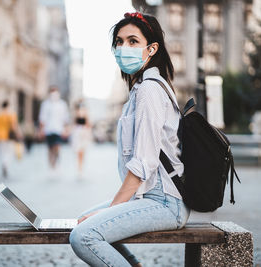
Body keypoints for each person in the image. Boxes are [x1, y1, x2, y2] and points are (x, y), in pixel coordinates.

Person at [69, 12, 190, 266]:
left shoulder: (149, 89)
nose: (124, 48)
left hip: (166, 202)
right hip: (151, 197)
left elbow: (143, 163)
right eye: (120, 42)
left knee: (84, 236)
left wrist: (111, 209)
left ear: (152, 48)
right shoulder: (143, 87)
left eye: (133, 41)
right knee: (84, 218)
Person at [38, 86, 70, 175]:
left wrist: (66, 130)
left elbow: (65, 118)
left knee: (57, 147)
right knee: (50, 149)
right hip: (48, 130)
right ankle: (51, 165)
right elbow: (42, 118)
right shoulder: (45, 104)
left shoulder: (62, 104)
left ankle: (57, 163)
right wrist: (41, 130)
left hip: (58, 130)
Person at [0, 100, 19, 178]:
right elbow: (13, 125)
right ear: (8, 106)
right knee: (10, 152)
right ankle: (6, 164)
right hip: (9, 136)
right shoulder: (11, 114)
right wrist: (17, 134)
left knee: (2, 152)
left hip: (1, 136)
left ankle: (4, 163)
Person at [70, 99, 92, 179]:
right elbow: (74, 124)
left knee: (82, 152)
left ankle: (81, 168)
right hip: (77, 134)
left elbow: (88, 124)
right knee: (78, 152)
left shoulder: (86, 114)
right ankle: (79, 168)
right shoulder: (75, 114)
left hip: (84, 133)